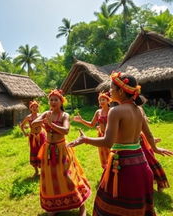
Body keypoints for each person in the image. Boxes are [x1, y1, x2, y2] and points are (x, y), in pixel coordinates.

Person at [68, 72, 173, 216]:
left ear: (121, 91)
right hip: (141, 164)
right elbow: (148, 134)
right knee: (138, 205)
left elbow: (108, 141)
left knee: (112, 204)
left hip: (122, 166)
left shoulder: (115, 111)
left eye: (111, 88)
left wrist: (85, 139)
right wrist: (155, 148)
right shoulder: (139, 110)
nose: (109, 91)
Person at [32, 89, 91, 216]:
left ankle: (81, 205)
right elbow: (34, 123)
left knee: (68, 175)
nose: (53, 102)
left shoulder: (65, 115)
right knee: (50, 177)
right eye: (51, 100)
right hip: (48, 149)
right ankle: (54, 207)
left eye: (56, 99)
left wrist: (50, 124)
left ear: (61, 101)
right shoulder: (47, 113)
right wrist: (39, 121)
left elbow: (66, 130)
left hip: (62, 149)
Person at [73, 92, 111, 169]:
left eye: (103, 99)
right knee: (104, 155)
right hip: (101, 135)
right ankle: (106, 172)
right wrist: (82, 120)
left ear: (108, 101)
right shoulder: (98, 112)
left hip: (111, 135)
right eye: (100, 100)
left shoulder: (112, 111)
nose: (101, 102)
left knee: (112, 154)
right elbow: (91, 124)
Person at [20, 100, 46, 177]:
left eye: (36, 107)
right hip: (33, 137)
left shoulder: (41, 116)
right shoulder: (28, 117)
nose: (34, 108)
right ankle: (36, 171)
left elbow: (45, 125)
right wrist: (25, 133)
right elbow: (22, 125)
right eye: (33, 107)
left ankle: (43, 170)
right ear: (30, 108)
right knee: (34, 152)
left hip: (41, 136)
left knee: (42, 151)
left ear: (38, 108)